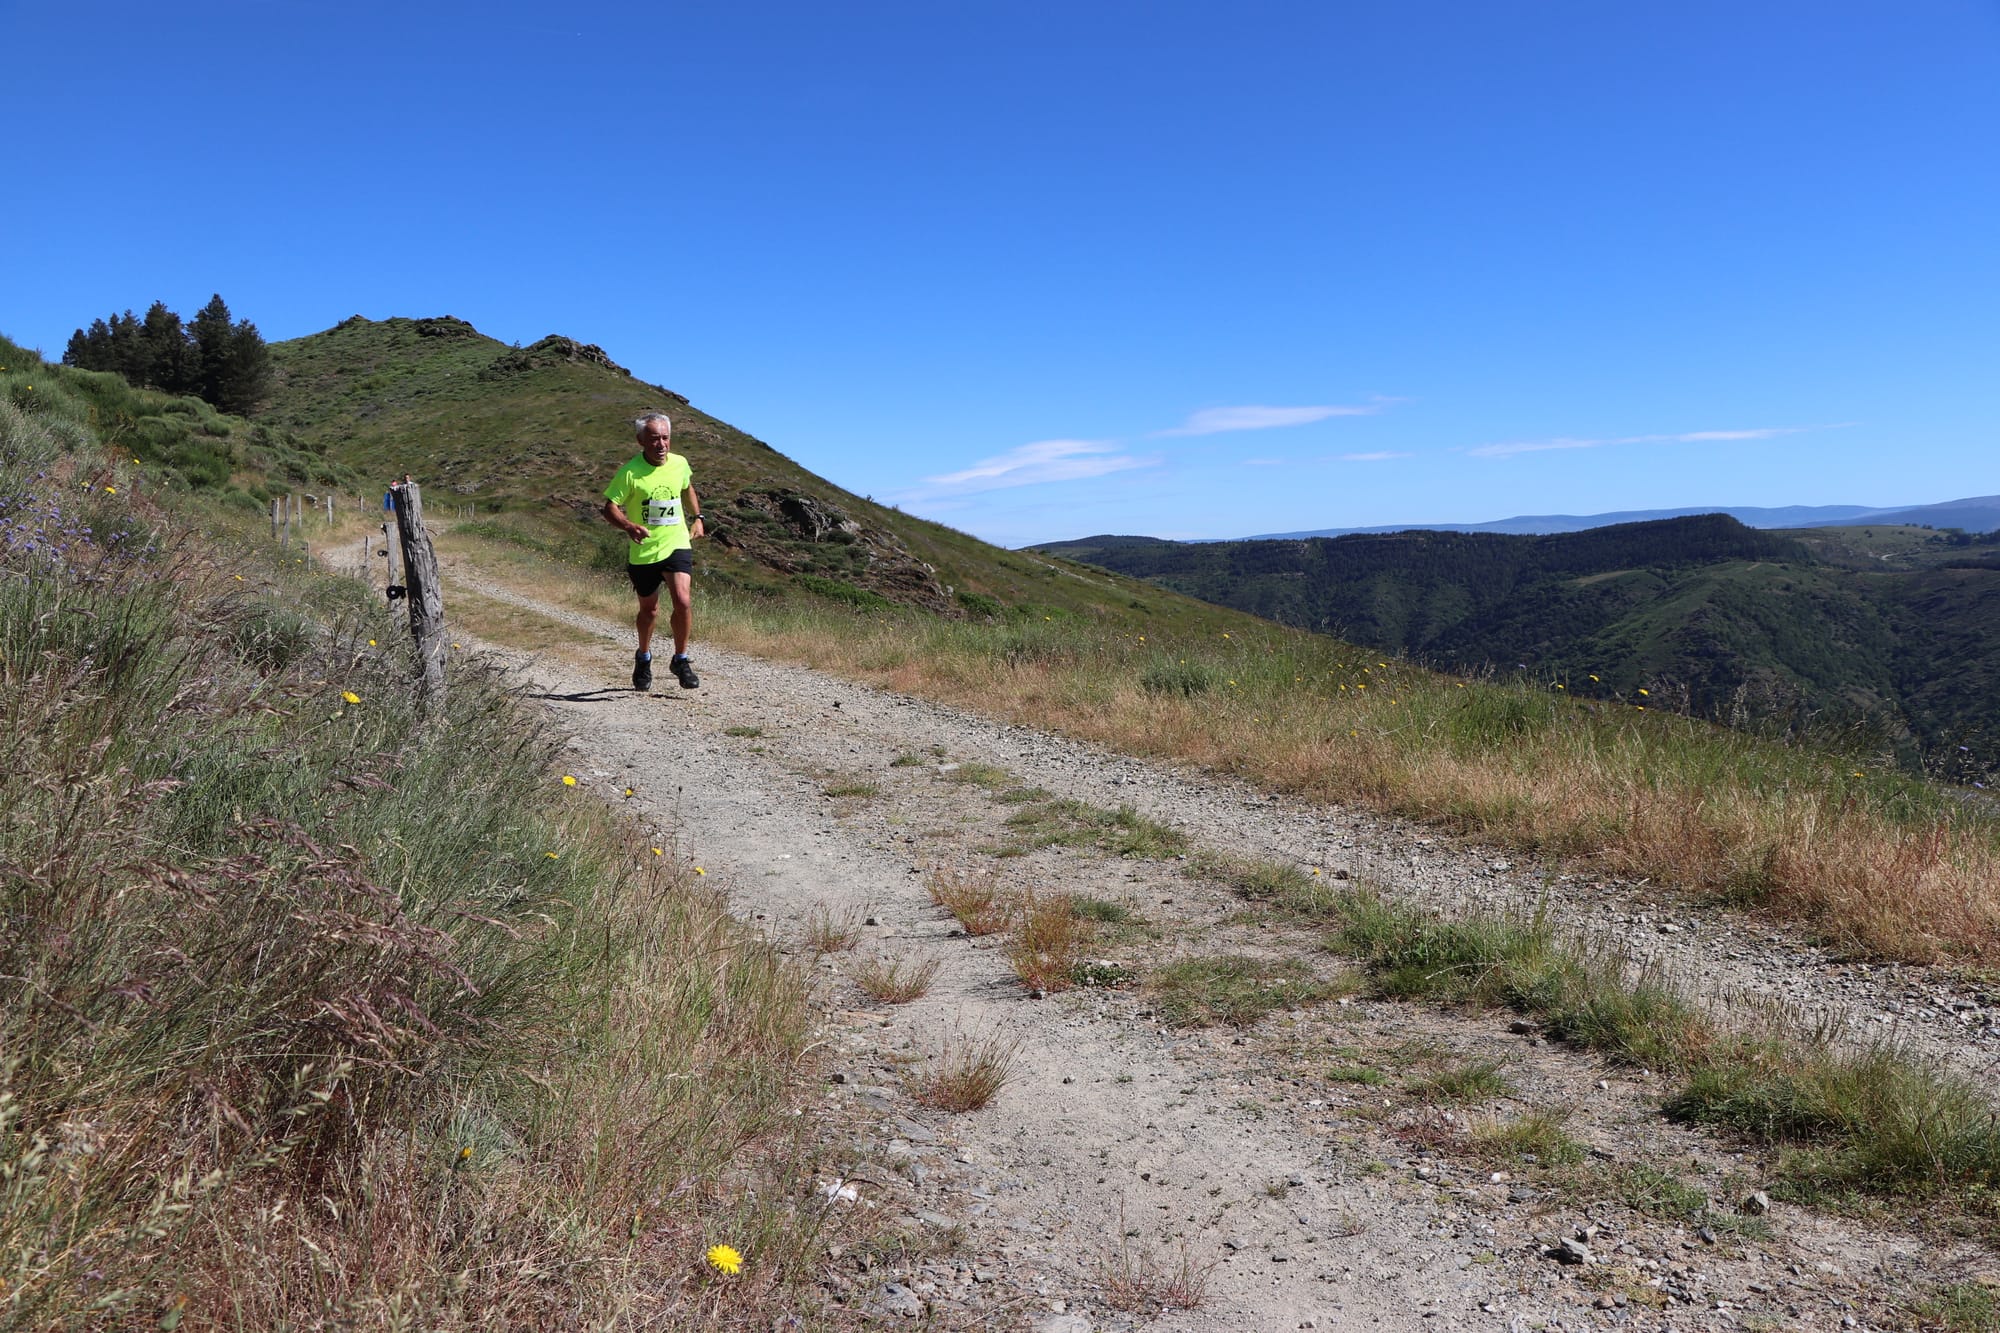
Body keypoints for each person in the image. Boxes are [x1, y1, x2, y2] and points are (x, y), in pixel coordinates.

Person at [600, 412, 704, 690]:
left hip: (676, 542)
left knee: (682, 600)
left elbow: (687, 487)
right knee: (650, 611)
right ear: (641, 440)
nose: (661, 445)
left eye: (666, 438)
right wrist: (628, 526)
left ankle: (680, 659)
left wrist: (698, 517)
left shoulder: (680, 463)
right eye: (654, 439)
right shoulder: (630, 472)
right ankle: (644, 656)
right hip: (644, 549)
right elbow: (609, 507)